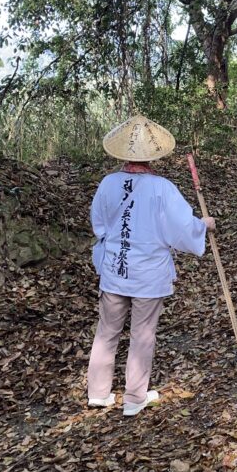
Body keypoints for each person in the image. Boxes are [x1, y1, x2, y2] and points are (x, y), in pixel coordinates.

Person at [87, 114, 215, 417]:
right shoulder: (161, 188)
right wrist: (202, 225)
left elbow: (100, 225)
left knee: (107, 331)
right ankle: (134, 398)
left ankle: (98, 393)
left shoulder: (108, 183)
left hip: (115, 271)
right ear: (152, 155)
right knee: (142, 333)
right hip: (148, 274)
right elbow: (181, 228)